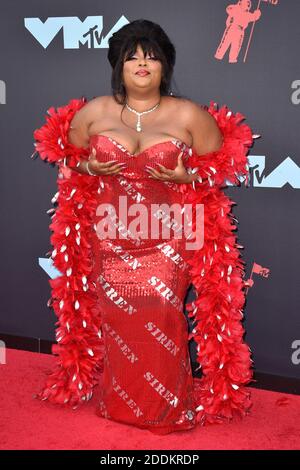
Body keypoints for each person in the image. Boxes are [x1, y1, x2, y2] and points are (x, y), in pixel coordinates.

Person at [32, 19, 255, 435]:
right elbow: (68, 160)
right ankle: (120, 404)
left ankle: (167, 408)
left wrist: (187, 179)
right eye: (132, 56)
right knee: (118, 317)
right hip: (111, 234)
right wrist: (88, 166)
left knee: (161, 313)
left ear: (164, 66)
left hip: (169, 234)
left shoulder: (188, 114)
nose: (141, 64)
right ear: (118, 64)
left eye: (151, 57)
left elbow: (221, 168)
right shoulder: (94, 112)